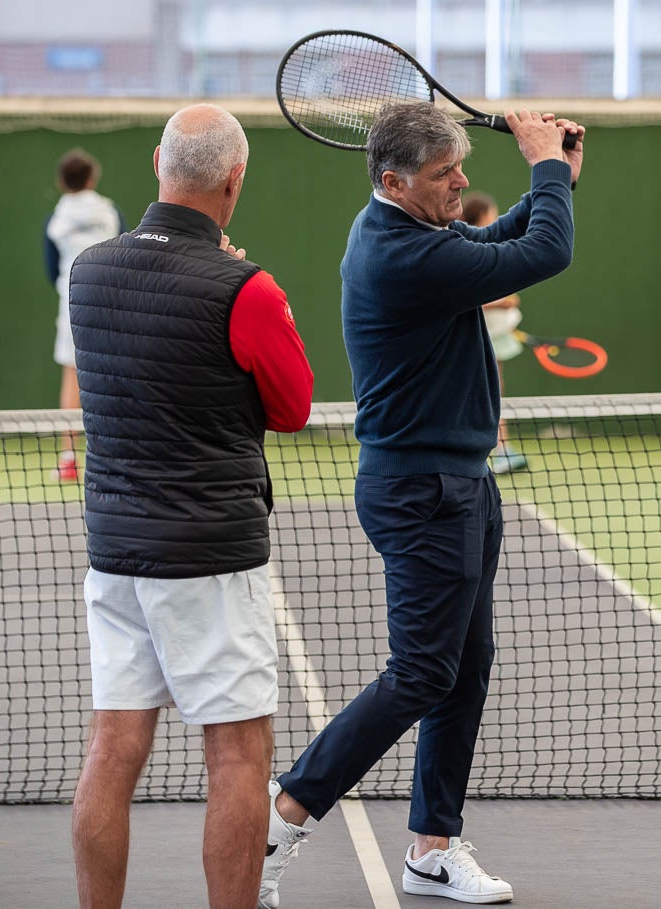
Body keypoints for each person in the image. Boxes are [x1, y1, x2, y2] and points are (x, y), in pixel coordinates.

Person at [260, 101, 582, 907]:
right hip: (419, 492)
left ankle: (431, 849)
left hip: (462, 483)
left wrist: (559, 175)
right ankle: (280, 818)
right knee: (421, 672)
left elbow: (498, 238)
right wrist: (543, 168)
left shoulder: (418, 234)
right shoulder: (403, 256)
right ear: (395, 181)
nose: (463, 182)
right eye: (447, 174)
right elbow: (545, 250)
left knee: (464, 671)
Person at [67, 103, 314, 909]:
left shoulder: (90, 270)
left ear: (156, 163)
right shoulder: (247, 288)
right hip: (210, 556)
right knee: (240, 756)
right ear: (235, 178)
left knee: (113, 747)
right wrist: (246, 291)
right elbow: (292, 405)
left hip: (115, 553)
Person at [44, 148, 127, 482]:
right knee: (118, 377)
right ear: (92, 179)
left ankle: (68, 459)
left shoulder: (56, 219)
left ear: (61, 182)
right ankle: (118, 457)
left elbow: (51, 269)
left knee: (71, 377)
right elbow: (124, 252)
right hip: (113, 302)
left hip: (72, 302)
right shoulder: (110, 212)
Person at [462, 191, 527, 475]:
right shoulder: (466, 249)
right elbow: (468, 297)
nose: (496, 218)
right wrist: (502, 301)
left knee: (494, 393)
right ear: (479, 217)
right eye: (492, 213)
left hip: (492, 336)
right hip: (472, 338)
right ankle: (494, 450)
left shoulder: (487, 248)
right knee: (482, 395)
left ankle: (501, 449)